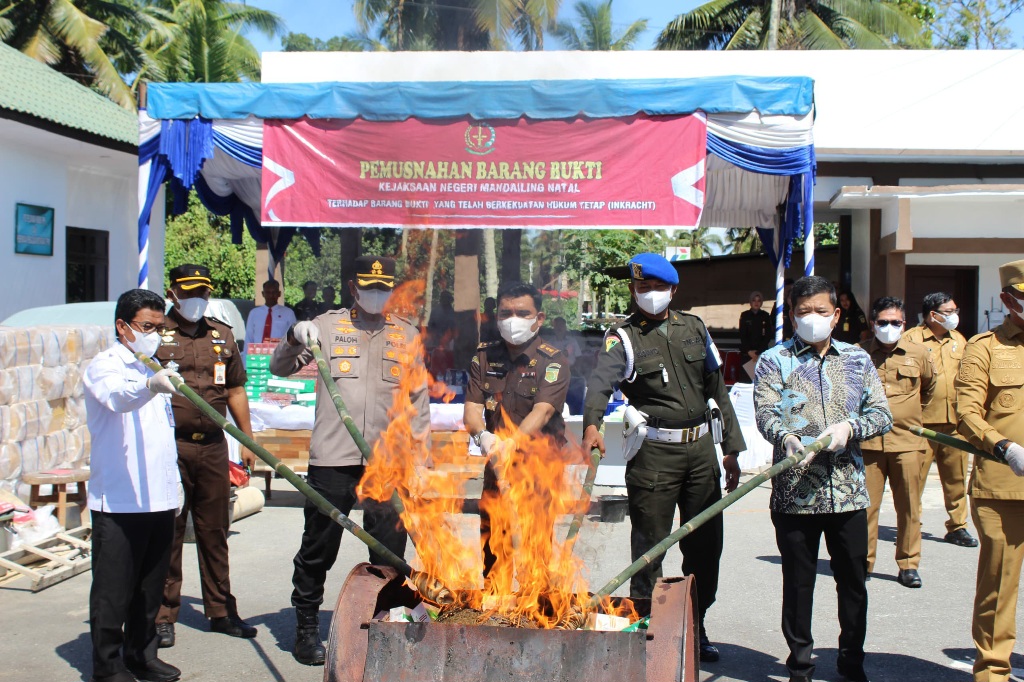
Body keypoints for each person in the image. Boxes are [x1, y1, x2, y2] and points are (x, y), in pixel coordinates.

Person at [582, 253, 744, 664]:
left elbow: (717, 387)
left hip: (701, 451)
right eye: (642, 288)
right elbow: (600, 384)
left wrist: (731, 449)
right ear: (634, 291)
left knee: (706, 547)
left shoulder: (694, 327)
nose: (649, 295)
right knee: (650, 546)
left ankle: (696, 622)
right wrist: (591, 426)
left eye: (656, 288)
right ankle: (646, 625)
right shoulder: (623, 338)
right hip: (654, 453)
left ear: (672, 290)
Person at [270, 255, 430, 667]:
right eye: (368, 286)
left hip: (387, 462)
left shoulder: (406, 334)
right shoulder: (325, 326)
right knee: (318, 546)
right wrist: (292, 336)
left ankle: (383, 624)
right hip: (333, 458)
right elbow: (281, 367)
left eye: (384, 287)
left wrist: (422, 463)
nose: (377, 294)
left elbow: (419, 404)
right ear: (354, 287)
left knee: (389, 552)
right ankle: (306, 626)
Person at [753, 275, 892, 682]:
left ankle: (851, 663)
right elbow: (765, 413)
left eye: (820, 311)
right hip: (795, 494)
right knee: (798, 584)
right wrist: (787, 437)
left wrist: (851, 428)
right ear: (792, 316)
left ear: (836, 314)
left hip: (848, 492)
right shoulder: (773, 360)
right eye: (803, 312)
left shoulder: (857, 359)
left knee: (852, 583)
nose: (811, 318)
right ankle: (800, 666)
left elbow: (882, 414)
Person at [155, 265, 257, 648]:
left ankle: (221, 610)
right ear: (173, 291)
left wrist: (248, 440)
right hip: (171, 446)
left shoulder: (221, 334)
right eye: (189, 291)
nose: (196, 299)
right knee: (171, 531)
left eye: (203, 292)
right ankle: (163, 614)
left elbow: (234, 390)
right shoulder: (156, 335)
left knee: (215, 531)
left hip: (213, 445)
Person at [85, 289, 183, 682]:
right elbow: (118, 400)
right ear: (122, 326)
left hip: (157, 498)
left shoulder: (152, 366)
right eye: (146, 326)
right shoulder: (105, 365)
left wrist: (174, 488)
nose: (154, 334)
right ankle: (107, 665)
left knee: (150, 588)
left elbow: (163, 435)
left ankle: (143, 653)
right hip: (120, 500)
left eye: (160, 327)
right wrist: (149, 387)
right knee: (114, 590)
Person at [464, 282, 569, 584]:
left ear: (540, 318)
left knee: (534, 549)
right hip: (496, 463)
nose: (513, 319)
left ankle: (532, 614)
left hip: (538, 467)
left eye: (523, 313)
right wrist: (482, 436)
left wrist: (513, 442)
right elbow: (471, 408)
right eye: (506, 313)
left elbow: (543, 411)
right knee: (494, 544)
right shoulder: (484, 356)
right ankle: (495, 610)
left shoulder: (553, 360)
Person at [956, 258, 1024, 682]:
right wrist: (1004, 446)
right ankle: (993, 671)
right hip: (1004, 485)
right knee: (999, 586)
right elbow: (966, 411)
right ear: (1007, 299)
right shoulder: (984, 347)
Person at [858, 297, 935, 587]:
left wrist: (908, 416)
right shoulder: (859, 354)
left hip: (907, 443)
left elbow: (928, 390)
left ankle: (908, 563)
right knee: (865, 508)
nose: (889, 327)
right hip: (869, 445)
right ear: (872, 323)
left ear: (904, 323)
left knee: (909, 507)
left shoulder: (919, 353)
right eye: (883, 322)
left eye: (895, 322)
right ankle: (863, 562)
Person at [903, 292, 977, 547]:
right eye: (949, 311)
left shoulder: (959, 339)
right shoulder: (911, 339)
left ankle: (957, 526)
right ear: (932, 314)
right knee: (915, 481)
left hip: (954, 422)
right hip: (921, 424)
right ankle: (912, 526)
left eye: (955, 310)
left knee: (956, 478)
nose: (954, 315)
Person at [244, 279, 296, 348]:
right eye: (268, 292)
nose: (271, 296)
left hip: (280, 355)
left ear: (279, 294)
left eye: (274, 292)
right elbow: (248, 338)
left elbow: (293, 336)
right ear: (263, 294)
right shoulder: (254, 313)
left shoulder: (288, 313)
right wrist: (246, 358)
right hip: (257, 355)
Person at [739, 290, 772, 381]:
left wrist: (758, 352)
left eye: (759, 300)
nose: (756, 303)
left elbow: (768, 335)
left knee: (761, 381)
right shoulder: (745, 315)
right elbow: (742, 334)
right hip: (747, 354)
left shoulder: (765, 316)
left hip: (761, 353)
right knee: (746, 381)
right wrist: (749, 351)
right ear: (750, 302)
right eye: (754, 300)